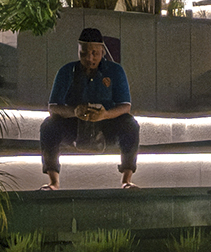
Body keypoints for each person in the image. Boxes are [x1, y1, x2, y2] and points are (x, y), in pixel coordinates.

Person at [41, 26, 138, 187]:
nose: (89, 58)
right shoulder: (66, 71)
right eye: (84, 53)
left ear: (103, 52)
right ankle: (53, 181)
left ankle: (126, 179)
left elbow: (125, 106)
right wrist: (74, 111)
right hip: (74, 123)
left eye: (95, 53)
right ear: (78, 51)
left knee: (130, 124)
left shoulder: (115, 71)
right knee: (48, 125)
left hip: (107, 124)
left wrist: (105, 114)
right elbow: (53, 107)